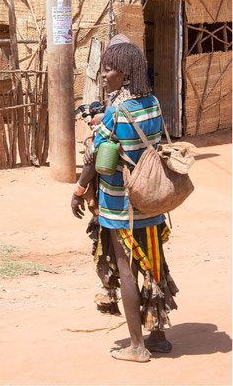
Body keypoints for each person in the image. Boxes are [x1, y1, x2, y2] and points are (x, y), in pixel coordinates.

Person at [71, 42, 178, 363]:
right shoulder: (154, 103)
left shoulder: (118, 112)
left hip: (121, 204)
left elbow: (95, 160)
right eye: (103, 68)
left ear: (127, 73)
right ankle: (158, 336)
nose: (103, 75)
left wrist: (78, 190)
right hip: (152, 199)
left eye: (109, 69)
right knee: (154, 264)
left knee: (127, 271)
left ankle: (136, 347)